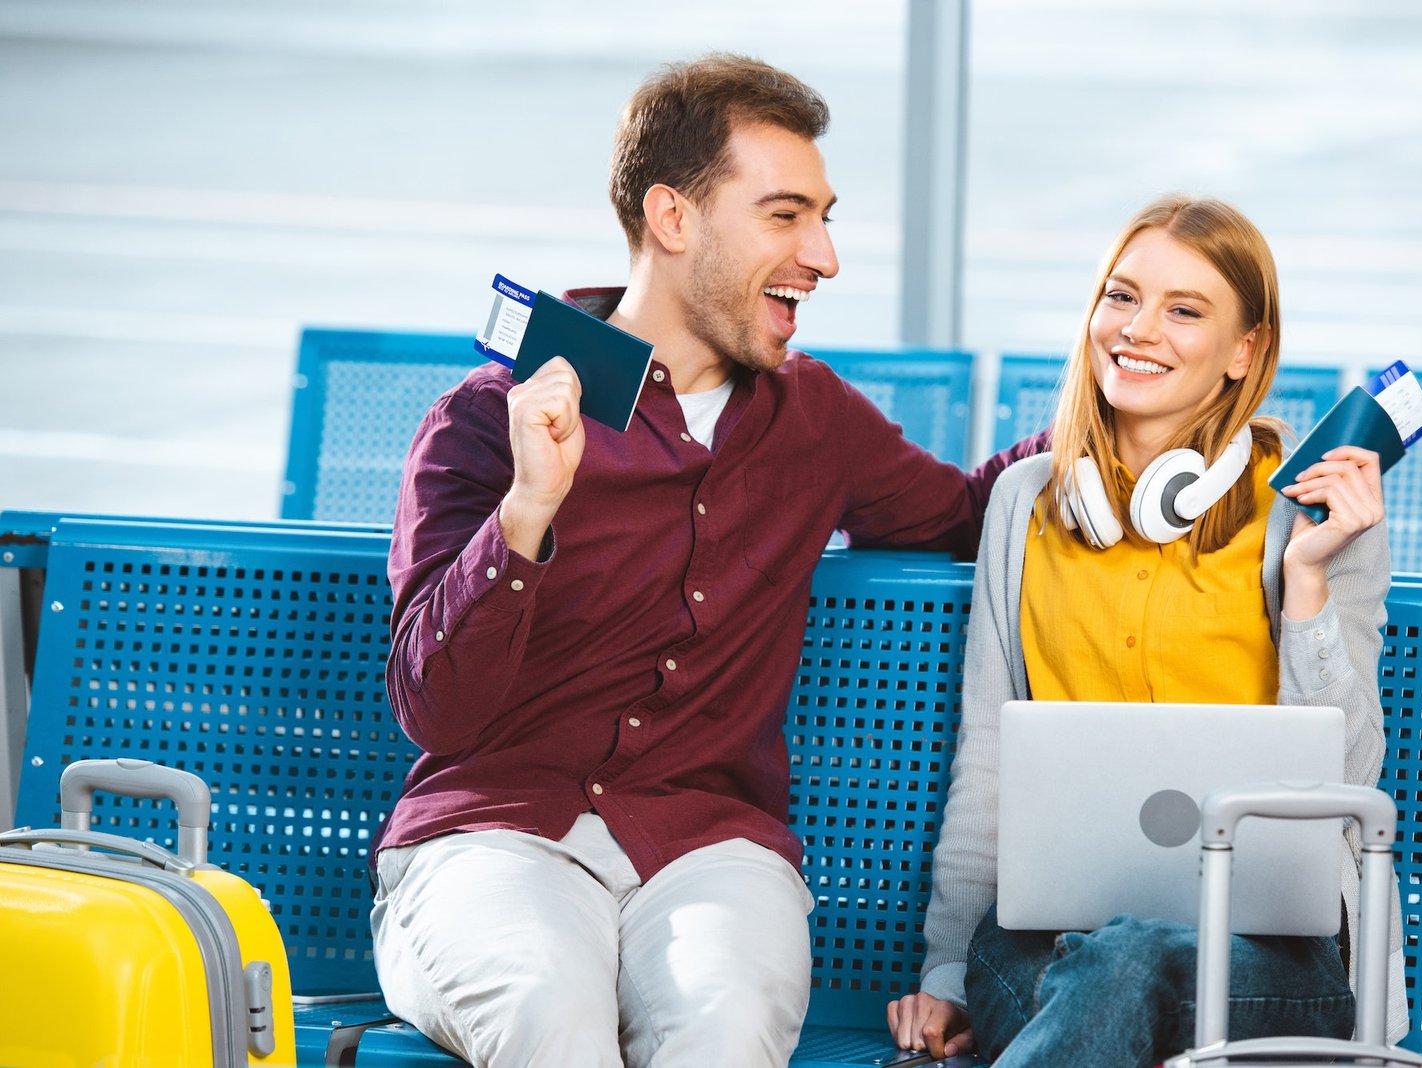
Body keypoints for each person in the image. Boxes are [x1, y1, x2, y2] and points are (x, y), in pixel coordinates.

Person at [370, 53, 1043, 1068]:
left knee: (725, 1031)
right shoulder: (485, 420)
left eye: (823, 216)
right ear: (673, 219)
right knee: (550, 1015)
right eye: (784, 215)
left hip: (707, 851)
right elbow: (436, 713)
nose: (823, 255)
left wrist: (1121, 421)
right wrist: (526, 511)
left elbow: (965, 512)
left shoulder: (814, 420)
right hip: (493, 839)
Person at [885, 194, 1410, 1067]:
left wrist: (1308, 580)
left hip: (1272, 962)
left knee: (1128, 964)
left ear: (1245, 351)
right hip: (1047, 941)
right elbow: (988, 760)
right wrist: (945, 971)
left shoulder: (1307, 510)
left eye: (1184, 310)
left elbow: (1347, 780)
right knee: (1110, 970)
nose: (1138, 329)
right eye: (1121, 297)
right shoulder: (1025, 505)